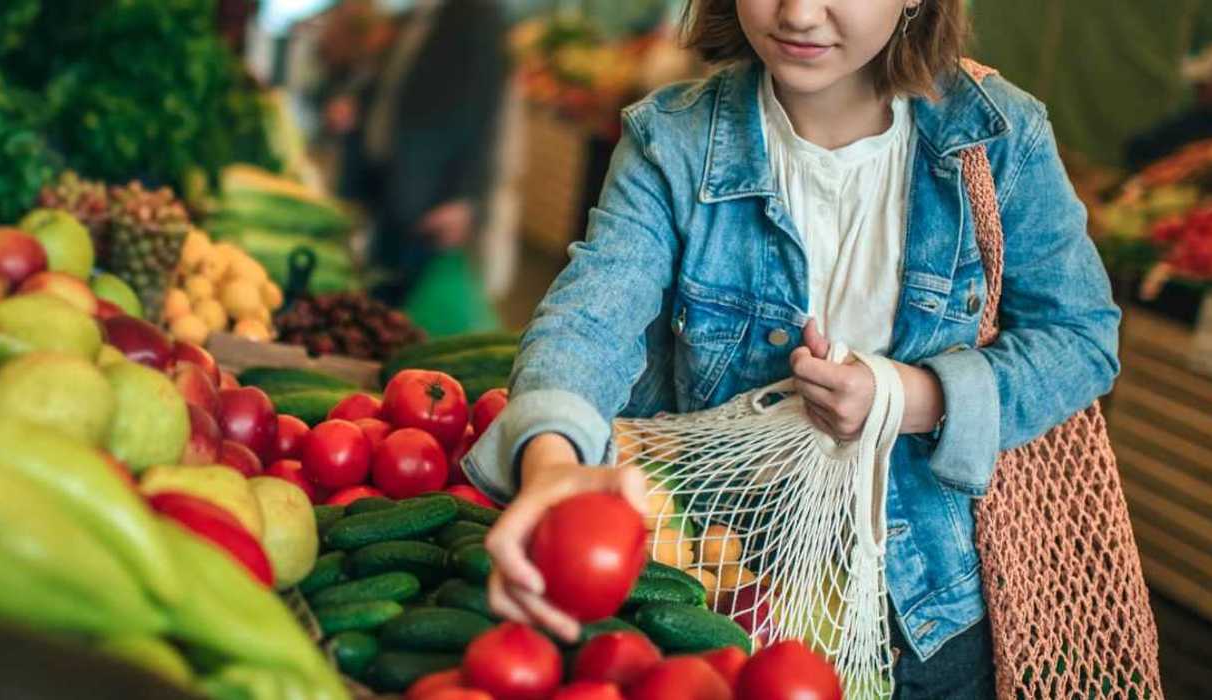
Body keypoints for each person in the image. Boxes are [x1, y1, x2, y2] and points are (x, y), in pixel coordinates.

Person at [464, 1, 1121, 698]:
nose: (798, 14)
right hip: (724, 597)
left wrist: (909, 397)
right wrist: (550, 461)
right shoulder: (674, 140)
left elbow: (1080, 338)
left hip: (933, 613)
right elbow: (590, 315)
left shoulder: (997, 135)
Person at [326, 0, 509, 306]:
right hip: (390, 178)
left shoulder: (477, 14)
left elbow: (484, 110)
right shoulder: (419, 14)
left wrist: (465, 197)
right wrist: (357, 104)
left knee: (409, 301)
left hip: (429, 196)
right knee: (379, 286)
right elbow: (395, 84)